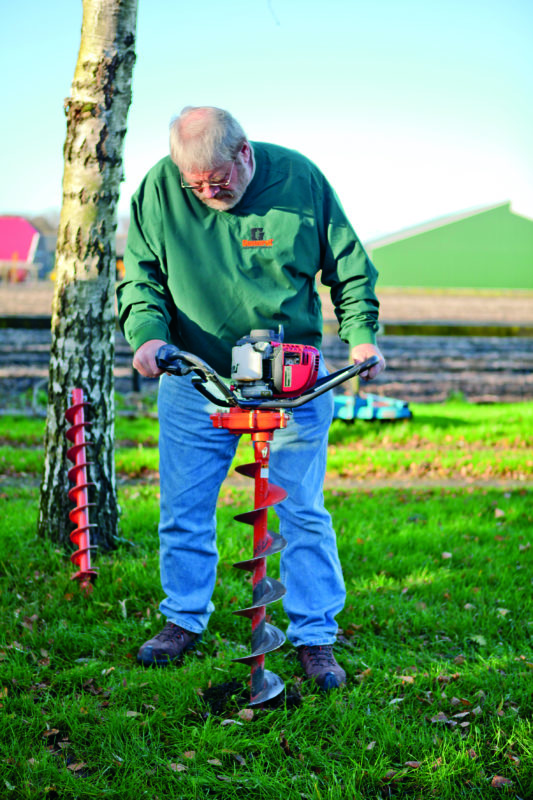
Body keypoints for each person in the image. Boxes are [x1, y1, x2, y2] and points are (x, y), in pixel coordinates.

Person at [117, 106, 385, 691]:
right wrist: (147, 337)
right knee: (183, 510)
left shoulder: (299, 180)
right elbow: (140, 273)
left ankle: (315, 636)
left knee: (300, 511)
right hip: (197, 379)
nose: (209, 192)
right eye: (197, 184)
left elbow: (350, 269)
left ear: (244, 151)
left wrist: (361, 338)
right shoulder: (160, 189)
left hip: (292, 381)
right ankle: (183, 619)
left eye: (219, 179)